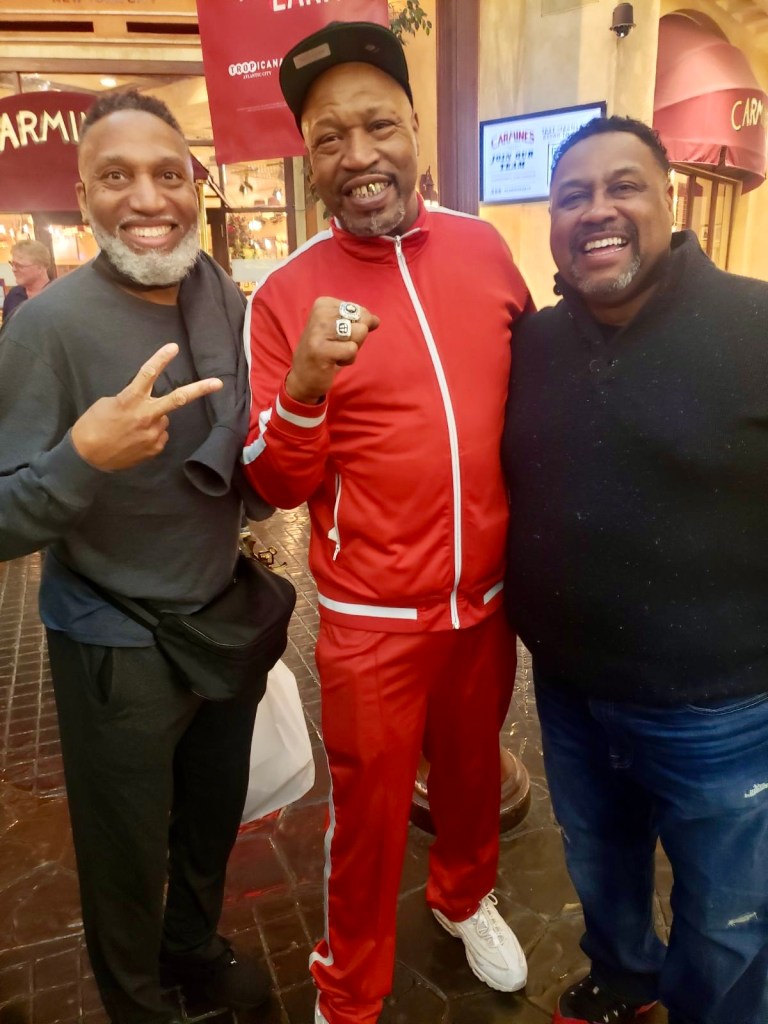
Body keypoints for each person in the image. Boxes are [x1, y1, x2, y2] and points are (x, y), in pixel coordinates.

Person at [243, 21, 532, 1024]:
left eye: (378, 125)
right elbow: (275, 481)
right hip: (372, 622)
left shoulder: (485, 250)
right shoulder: (286, 295)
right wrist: (305, 390)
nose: (358, 153)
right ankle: (349, 991)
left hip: (487, 603)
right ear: (309, 158)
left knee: (472, 779)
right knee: (366, 820)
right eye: (329, 137)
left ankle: (463, 897)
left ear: (416, 130)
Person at [0, 90, 273, 1024]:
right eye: (116, 176)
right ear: (84, 200)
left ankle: (190, 947)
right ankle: (137, 1005)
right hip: (114, 645)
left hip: (218, 619)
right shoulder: (46, 328)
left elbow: (243, 445)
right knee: (123, 852)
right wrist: (82, 458)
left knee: (210, 820)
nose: (148, 197)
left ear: (195, 186)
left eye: (168, 173)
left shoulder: (217, 291)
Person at [503, 116, 768, 1024]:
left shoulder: (756, 325)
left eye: (624, 186)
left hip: (720, 712)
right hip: (571, 690)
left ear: (669, 199)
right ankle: (623, 978)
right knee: (600, 863)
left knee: (729, 920)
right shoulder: (533, 343)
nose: (597, 211)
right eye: (572, 196)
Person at [1, 239, 52, 327]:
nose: (13, 269)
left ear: (40, 267)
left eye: (19, 265)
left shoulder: (57, 295)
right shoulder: (13, 295)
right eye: (12, 264)